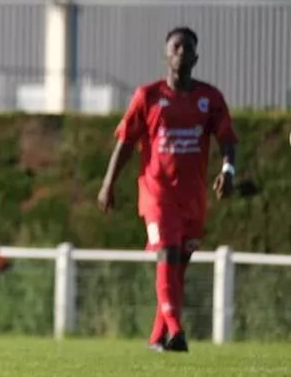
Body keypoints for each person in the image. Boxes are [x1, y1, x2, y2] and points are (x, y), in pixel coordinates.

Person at [97, 26, 238, 353]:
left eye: (187, 48)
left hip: (192, 196)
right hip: (156, 192)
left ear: (196, 57)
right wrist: (108, 182)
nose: (181, 53)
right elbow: (126, 142)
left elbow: (228, 139)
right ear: (165, 55)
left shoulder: (210, 98)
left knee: (179, 267)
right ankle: (177, 331)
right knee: (167, 255)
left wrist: (228, 170)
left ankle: (157, 337)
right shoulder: (147, 96)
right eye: (175, 47)